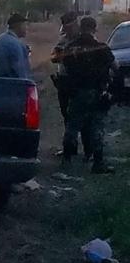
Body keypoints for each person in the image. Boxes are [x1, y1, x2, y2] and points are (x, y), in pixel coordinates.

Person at [61, 16, 116, 174]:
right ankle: (98, 163)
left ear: (81, 27)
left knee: (72, 126)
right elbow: (115, 66)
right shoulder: (101, 47)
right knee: (96, 127)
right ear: (94, 28)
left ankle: (67, 159)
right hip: (97, 92)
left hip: (76, 92)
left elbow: (64, 69)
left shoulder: (70, 47)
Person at [51, 12, 92, 160]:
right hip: (64, 82)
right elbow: (53, 58)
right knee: (67, 116)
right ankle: (70, 148)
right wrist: (61, 53)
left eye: (70, 27)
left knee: (85, 119)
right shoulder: (63, 41)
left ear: (76, 25)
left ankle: (89, 151)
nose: (68, 31)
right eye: (66, 28)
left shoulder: (86, 40)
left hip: (81, 83)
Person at [0, 13, 32, 79]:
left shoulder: (0, 39)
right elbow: (20, 72)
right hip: (14, 85)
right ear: (18, 26)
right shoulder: (15, 44)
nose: (27, 28)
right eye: (25, 25)